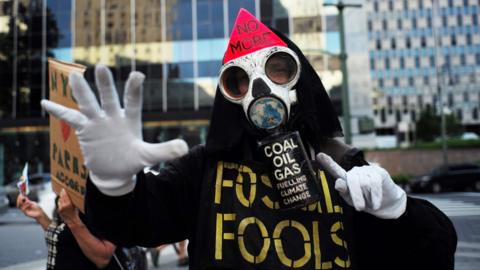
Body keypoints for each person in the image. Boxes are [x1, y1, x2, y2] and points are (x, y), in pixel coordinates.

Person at [41, 9, 457, 270]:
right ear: (228, 95)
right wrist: (114, 185)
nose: (260, 88)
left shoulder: (343, 171)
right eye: (239, 80)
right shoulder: (204, 170)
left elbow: (432, 255)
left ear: (301, 78)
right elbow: (132, 223)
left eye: (278, 68)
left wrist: (398, 213)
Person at [16, 189, 121, 269]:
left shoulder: (108, 192)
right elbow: (65, 237)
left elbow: (103, 258)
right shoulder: (66, 188)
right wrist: (40, 216)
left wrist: (72, 219)